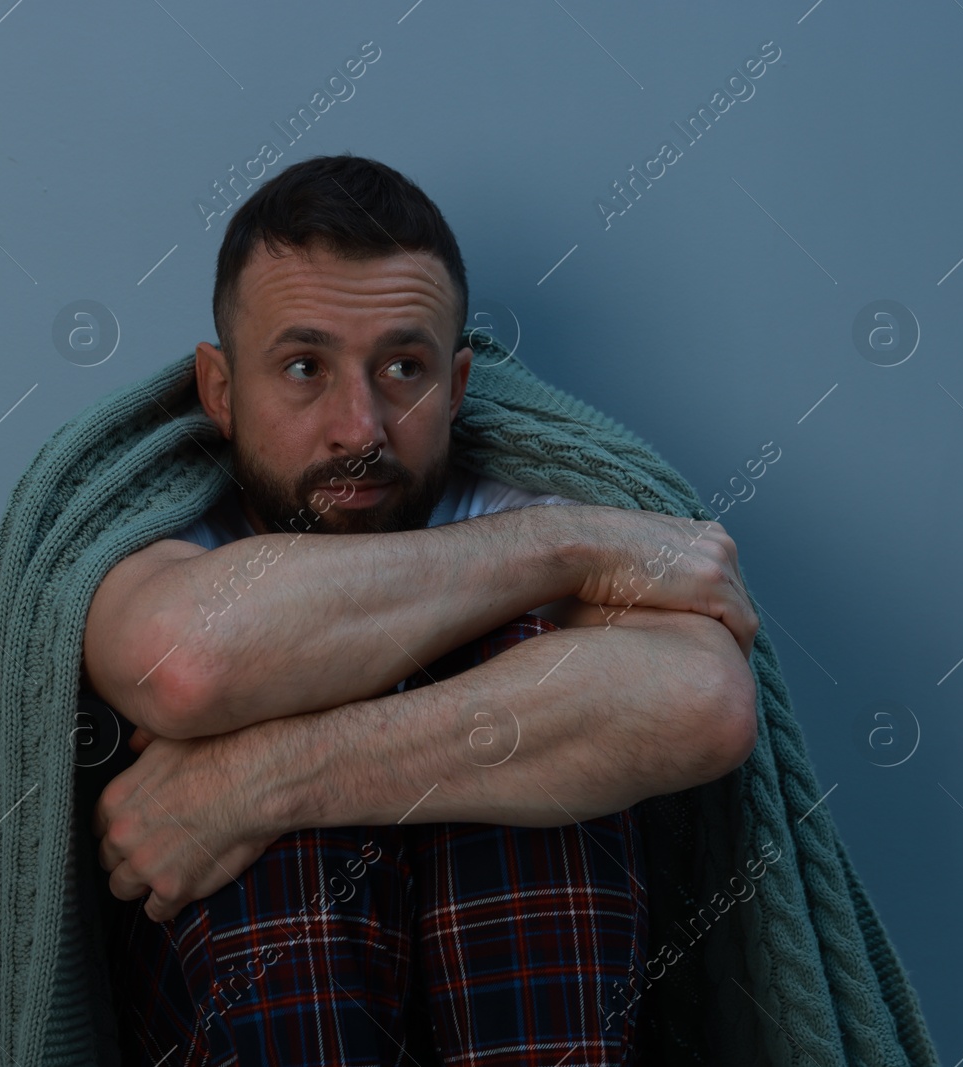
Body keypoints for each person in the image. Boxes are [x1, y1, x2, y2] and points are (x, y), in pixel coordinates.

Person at [81, 154, 760, 1066]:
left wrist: (260, 782)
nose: (359, 427)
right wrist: (574, 552)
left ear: (460, 384)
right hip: (248, 1011)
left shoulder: (520, 497)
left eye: (404, 366)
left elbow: (703, 700)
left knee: (531, 683)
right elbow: (189, 664)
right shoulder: (152, 527)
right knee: (274, 698)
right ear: (219, 389)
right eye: (303, 366)